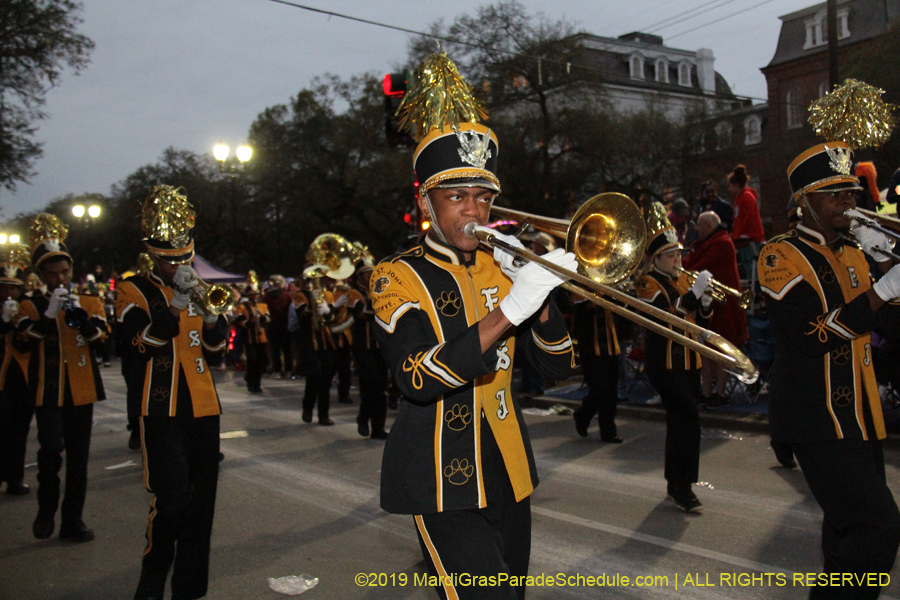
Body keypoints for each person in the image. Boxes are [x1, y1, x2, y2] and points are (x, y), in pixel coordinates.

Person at [372, 50, 576, 600]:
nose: (474, 211)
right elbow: (416, 376)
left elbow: (558, 368)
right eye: (456, 195)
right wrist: (511, 309)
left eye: (483, 197)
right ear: (425, 200)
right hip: (441, 478)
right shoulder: (397, 275)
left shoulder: (503, 266)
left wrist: (543, 289)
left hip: (510, 470)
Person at [759, 141, 900, 595]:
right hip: (814, 416)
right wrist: (881, 292)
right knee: (877, 527)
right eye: (832, 192)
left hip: (860, 415)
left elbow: (890, 329)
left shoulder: (857, 252)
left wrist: (885, 264)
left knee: (845, 533)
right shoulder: (779, 256)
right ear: (804, 202)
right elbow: (811, 335)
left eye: (851, 192)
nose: (847, 201)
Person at [116, 185, 228, 600]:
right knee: (173, 500)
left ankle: (189, 588)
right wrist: (177, 305)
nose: (180, 266)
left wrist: (213, 315)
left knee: (201, 507)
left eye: (185, 258)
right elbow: (141, 344)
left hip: (202, 405)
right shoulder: (132, 290)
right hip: (159, 406)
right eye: (171, 261)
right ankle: (152, 578)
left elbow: (216, 349)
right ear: (151, 257)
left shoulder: (198, 287)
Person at [17, 214, 107, 542]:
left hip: (81, 389)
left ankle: (73, 520)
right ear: (41, 275)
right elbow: (22, 341)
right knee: (51, 451)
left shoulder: (88, 301)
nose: (59, 278)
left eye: (64, 271)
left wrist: (78, 317)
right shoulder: (29, 305)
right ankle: (46, 509)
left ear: (71, 271)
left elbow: (102, 339)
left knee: (79, 460)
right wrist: (47, 315)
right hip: (48, 389)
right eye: (52, 273)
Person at [636, 202, 713, 513]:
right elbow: (669, 318)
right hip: (664, 362)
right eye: (670, 255)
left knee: (686, 423)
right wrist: (695, 295)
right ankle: (682, 488)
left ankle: (678, 485)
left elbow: (700, 320)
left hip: (688, 360)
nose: (677, 260)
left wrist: (705, 300)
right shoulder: (648, 283)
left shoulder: (681, 279)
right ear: (656, 259)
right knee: (687, 419)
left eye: (678, 254)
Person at [683, 211, 748, 406]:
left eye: (700, 225)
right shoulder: (706, 243)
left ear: (710, 227)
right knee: (705, 350)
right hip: (708, 305)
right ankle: (706, 393)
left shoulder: (722, 243)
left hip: (723, 307)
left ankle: (719, 393)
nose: (697, 229)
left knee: (720, 351)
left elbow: (699, 268)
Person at [0, 244, 33, 496]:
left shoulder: (26, 307)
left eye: (13, 287)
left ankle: (15, 477)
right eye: (4, 286)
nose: (9, 292)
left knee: (19, 429)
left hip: (21, 377)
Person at [347, 255, 389, 439]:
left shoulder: (380, 291)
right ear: (358, 277)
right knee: (370, 384)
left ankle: (378, 427)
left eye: (372, 273)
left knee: (382, 385)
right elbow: (361, 314)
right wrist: (376, 297)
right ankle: (363, 417)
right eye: (365, 274)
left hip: (380, 345)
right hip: (363, 346)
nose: (369, 277)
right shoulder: (353, 294)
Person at [572, 299, 622, 443]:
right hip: (592, 349)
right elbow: (582, 312)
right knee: (601, 389)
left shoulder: (608, 292)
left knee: (612, 392)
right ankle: (583, 415)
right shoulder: (581, 291)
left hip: (612, 347)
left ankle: (608, 432)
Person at [294, 272, 336, 426]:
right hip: (309, 340)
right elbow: (302, 315)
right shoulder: (300, 295)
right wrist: (314, 305)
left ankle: (323, 415)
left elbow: (332, 318)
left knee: (326, 377)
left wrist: (326, 311)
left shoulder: (329, 295)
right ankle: (308, 406)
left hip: (325, 340)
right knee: (314, 375)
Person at [727, 164, 765, 279]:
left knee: (753, 269)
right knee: (748, 268)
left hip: (750, 239)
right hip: (743, 240)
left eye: (730, 186)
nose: (728, 189)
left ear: (736, 185)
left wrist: (739, 235)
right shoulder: (739, 199)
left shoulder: (747, 197)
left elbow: (747, 219)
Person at [235, 287, 269, 393]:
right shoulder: (242, 307)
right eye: (252, 294)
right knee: (252, 360)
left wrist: (262, 317)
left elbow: (268, 319)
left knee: (261, 362)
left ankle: (257, 383)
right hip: (249, 338)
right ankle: (251, 382)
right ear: (248, 295)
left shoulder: (263, 306)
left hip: (261, 337)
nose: (255, 296)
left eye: (256, 294)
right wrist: (251, 321)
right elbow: (240, 321)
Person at [263, 274, 292, 378]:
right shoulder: (287, 295)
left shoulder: (266, 297)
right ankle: (288, 370)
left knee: (275, 349)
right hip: (285, 324)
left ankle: (277, 371)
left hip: (272, 324)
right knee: (287, 349)